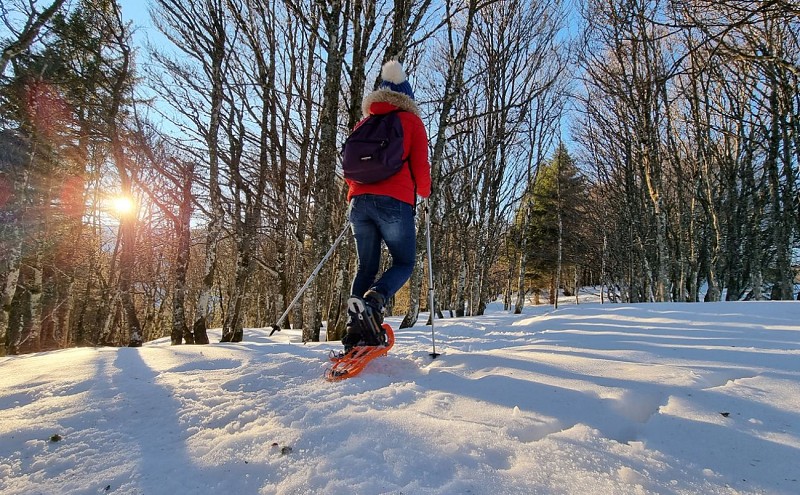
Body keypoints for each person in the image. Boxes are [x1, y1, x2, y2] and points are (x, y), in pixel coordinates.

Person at [342, 60, 431, 352]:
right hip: (395, 201)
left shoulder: (363, 123)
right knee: (404, 261)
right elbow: (420, 166)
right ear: (407, 97)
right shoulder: (411, 121)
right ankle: (376, 300)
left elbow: (351, 166)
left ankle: (356, 328)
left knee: (366, 266)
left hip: (359, 203)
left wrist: (357, 195)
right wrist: (425, 194)